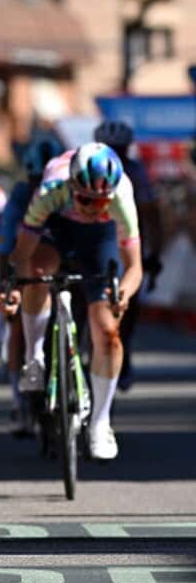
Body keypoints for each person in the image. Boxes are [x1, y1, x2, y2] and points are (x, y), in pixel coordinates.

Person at [7, 143, 142, 461]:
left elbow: (134, 267)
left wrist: (121, 293)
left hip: (100, 241)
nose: (94, 208)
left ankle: (100, 422)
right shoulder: (52, 188)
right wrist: (18, 284)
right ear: (72, 187)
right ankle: (34, 356)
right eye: (85, 200)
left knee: (108, 333)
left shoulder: (120, 195)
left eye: (101, 202)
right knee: (39, 273)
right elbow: (23, 252)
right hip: (57, 229)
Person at [0, 136, 64, 436]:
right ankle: (18, 401)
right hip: (29, 255)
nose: (40, 184)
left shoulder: (65, 189)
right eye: (35, 179)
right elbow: (6, 245)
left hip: (64, 251)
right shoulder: (22, 195)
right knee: (18, 325)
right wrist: (5, 283)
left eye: (43, 179)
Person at [92, 120, 161, 391]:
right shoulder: (86, 166)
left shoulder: (135, 172)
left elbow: (152, 216)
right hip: (93, 233)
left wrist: (154, 252)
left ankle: (124, 345)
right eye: (110, 149)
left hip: (125, 236)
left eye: (120, 150)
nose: (115, 156)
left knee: (126, 296)